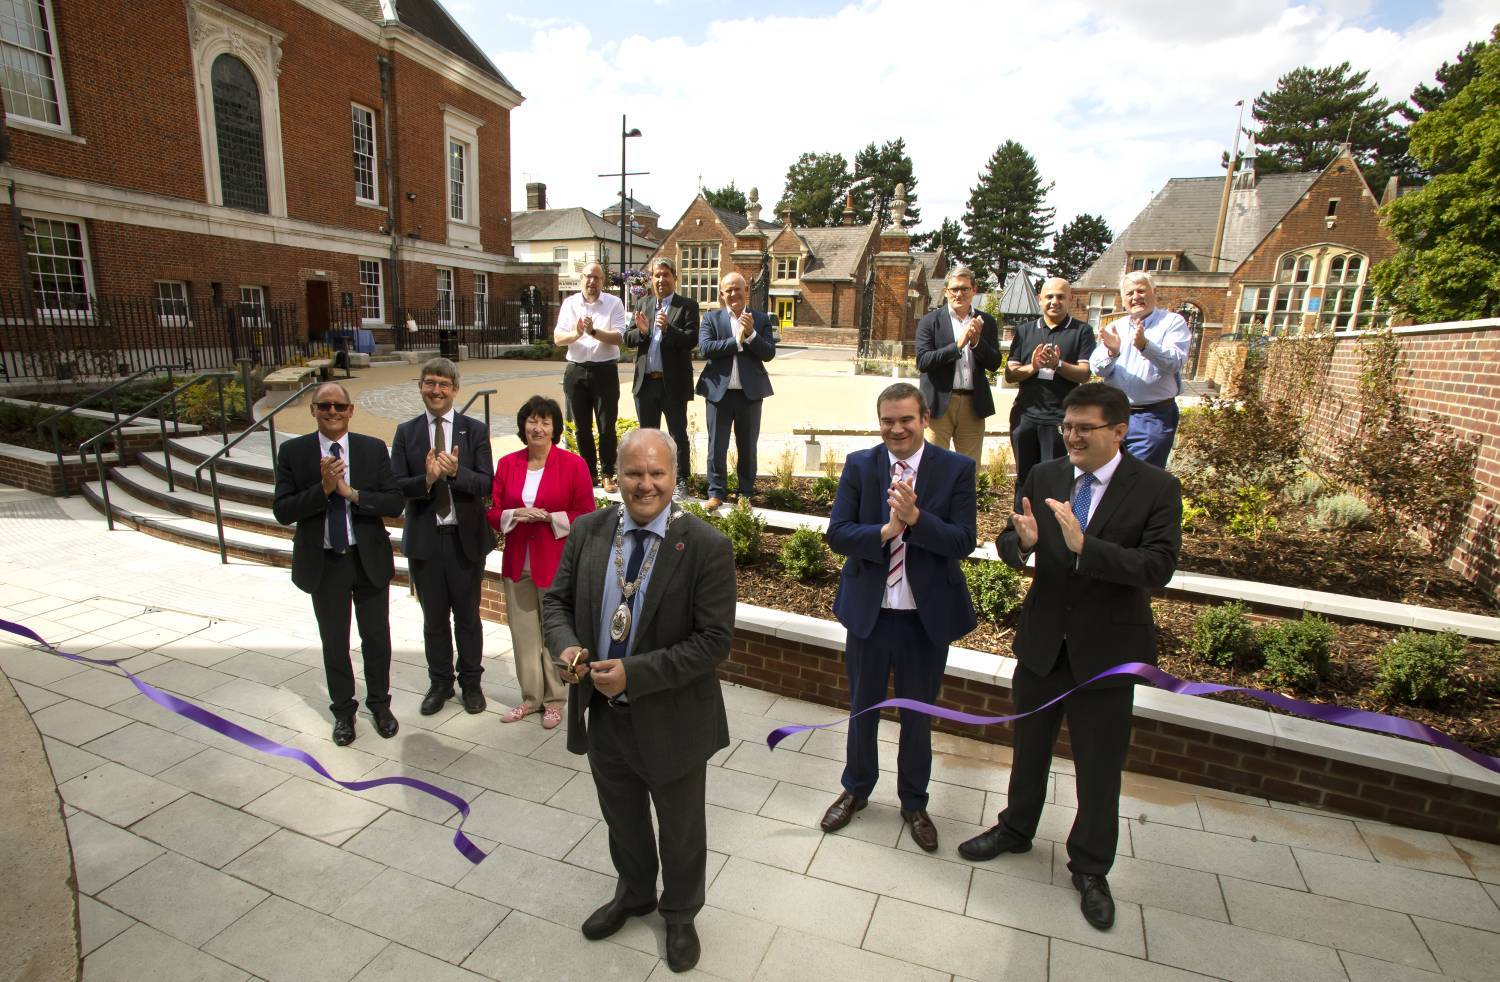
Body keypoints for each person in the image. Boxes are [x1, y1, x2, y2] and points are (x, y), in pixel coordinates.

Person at [958, 382, 1182, 932]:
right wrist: (1024, 544)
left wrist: (1089, 549)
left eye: (1085, 428)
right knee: (1028, 750)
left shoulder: (1156, 488)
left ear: (1119, 431)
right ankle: (1016, 829)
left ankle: (1090, 867)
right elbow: (1010, 544)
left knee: (1099, 769)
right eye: (1068, 426)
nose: (1073, 436)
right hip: (1042, 644)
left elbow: (1158, 568)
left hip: (1107, 652)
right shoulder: (1046, 475)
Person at [542, 428, 734, 974]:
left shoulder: (704, 546)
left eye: (656, 473)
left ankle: (679, 913)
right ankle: (634, 893)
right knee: (621, 817)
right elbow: (555, 603)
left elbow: (713, 642)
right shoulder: (587, 531)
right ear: (617, 476)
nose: (644, 484)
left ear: (676, 478)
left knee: (680, 827)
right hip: (603, 715)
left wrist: (635, 674)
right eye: (633, 473)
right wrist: (568, 645)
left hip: (671, 719)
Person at [820, 382, 977, 853]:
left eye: (906, 419)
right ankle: (856, 789)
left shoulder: (956, 469)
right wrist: (887, 530)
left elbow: (963, 541)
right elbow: (839, 534)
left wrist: (916, 520)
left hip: (923, 622)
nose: (896, 429)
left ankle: (914, 802)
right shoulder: (861, 466)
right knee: (862, 711)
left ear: (925, 418)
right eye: (888, 420)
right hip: (870, 614)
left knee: (917, 718)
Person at [272, 381, 404, 746]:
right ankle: (343, 712)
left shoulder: (371, 449)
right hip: (325, 562)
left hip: (367, 559)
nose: (332, 412)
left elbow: (394, 503)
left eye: (339, 406)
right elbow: (282, 510)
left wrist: (352, 494)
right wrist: (324, 490)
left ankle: (380, 704)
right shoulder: (294, 453)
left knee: (377, 638)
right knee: (334, 641)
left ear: (350, 411)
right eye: (324, 406)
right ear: (313, 410)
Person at [390, 357, 496, 716]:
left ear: (454, 389)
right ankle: (440, 683)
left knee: (467, 618)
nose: (436, 390)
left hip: (464, 541)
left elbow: (486, 483)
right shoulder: (406, 432)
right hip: (425, 541)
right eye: (430, 383)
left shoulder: (474, 430)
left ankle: (471, 683)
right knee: (434, 619)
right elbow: (396, 487)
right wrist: (428, 480)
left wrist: (454, 473)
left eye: (443, 384)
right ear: (420, 387)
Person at [487, 394, 595, 728]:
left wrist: (550, 518)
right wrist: (514, 514)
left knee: (553, 633)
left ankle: (555, 700)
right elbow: (492, 512)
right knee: (522, 634)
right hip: (518, 560)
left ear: (554, 429)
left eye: (545, 421)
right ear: (523, 425)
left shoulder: (573, 464)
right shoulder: (508, 464)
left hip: (554, 562)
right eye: (532, 420)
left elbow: (586, 514)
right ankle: (530, 699)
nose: (538, 427)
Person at [1087, 271, 1191, 468]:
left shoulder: (1172, 322)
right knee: (1107, 472)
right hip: (1113, 415)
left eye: (1141, 291)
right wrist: (1112, 353)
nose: (1136, 297)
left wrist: (1145, 346)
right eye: (1130, 293)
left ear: (1154, 292)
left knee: (1138, 476)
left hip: (1152, 416)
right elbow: (1097, 368)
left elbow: (1175, 361)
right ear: (1123, 299)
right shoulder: (1115, 327)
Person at [696, 271, 776, 509]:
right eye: (728, 290)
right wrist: (736, 341)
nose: (733, 294)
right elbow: (705, 348)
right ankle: (716, 493)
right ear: (721, 294)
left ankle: (745, 494)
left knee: (748, 447)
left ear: (746, 291)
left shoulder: (760, 319)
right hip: (718, 394)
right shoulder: (711, 318)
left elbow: (769, 353)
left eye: (737, 289)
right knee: (716, 446)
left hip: (749, 395)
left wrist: (751, 335)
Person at [1006, 277, 1096, 486]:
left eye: (1060, 297)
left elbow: (1084, 374)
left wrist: (1058, 364)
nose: (1054, 301)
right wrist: (1033, 367)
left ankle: (1049, 520)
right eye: (1049, 296)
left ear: (1070, 299)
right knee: (1024, 479)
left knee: (1055, 480)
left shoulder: (1082, 331)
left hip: (1060, 419)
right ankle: (1019, 518)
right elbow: (1010, 375)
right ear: (1040, 299)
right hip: (1025, 416)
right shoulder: (1025, 331)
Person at [626, 257, 699, 500]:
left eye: (665, 274)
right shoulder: (643, 303)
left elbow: (691, 340)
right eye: (656, 275)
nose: (660, 279)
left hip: (673, 385)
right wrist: (643, 332)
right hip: (646, 383)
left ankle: (680, 481)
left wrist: (669, 329)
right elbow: (628, 338)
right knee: (648, 437)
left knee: (677, 435)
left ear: (674, 278)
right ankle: (649, 481)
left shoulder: (686, 306)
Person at [915, 266, 1003, 465]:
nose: (959, 294)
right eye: (954, 289)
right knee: (932, 467)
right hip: (938, 405)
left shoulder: (986, 321)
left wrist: (978, 342)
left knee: (968, 470)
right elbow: (923, 361)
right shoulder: (930, 321)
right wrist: (958, 345)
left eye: (964, 289)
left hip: (973, 405)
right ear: (946, 291)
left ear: (974, 290)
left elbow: (995, 363)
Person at [554, 262, 626, 491]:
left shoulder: (614, 303)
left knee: (607, 426)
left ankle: (607, 474)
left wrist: (593, 332)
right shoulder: (570, 303)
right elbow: (557, 338)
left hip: (604, 370)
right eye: (587, 276)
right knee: (581, 427)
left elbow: (619, 338)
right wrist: (576, 333)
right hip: (576, 370)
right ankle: (588, 473)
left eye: (596, 277)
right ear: (581, 279)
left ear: (603, 281)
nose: (591, 281)